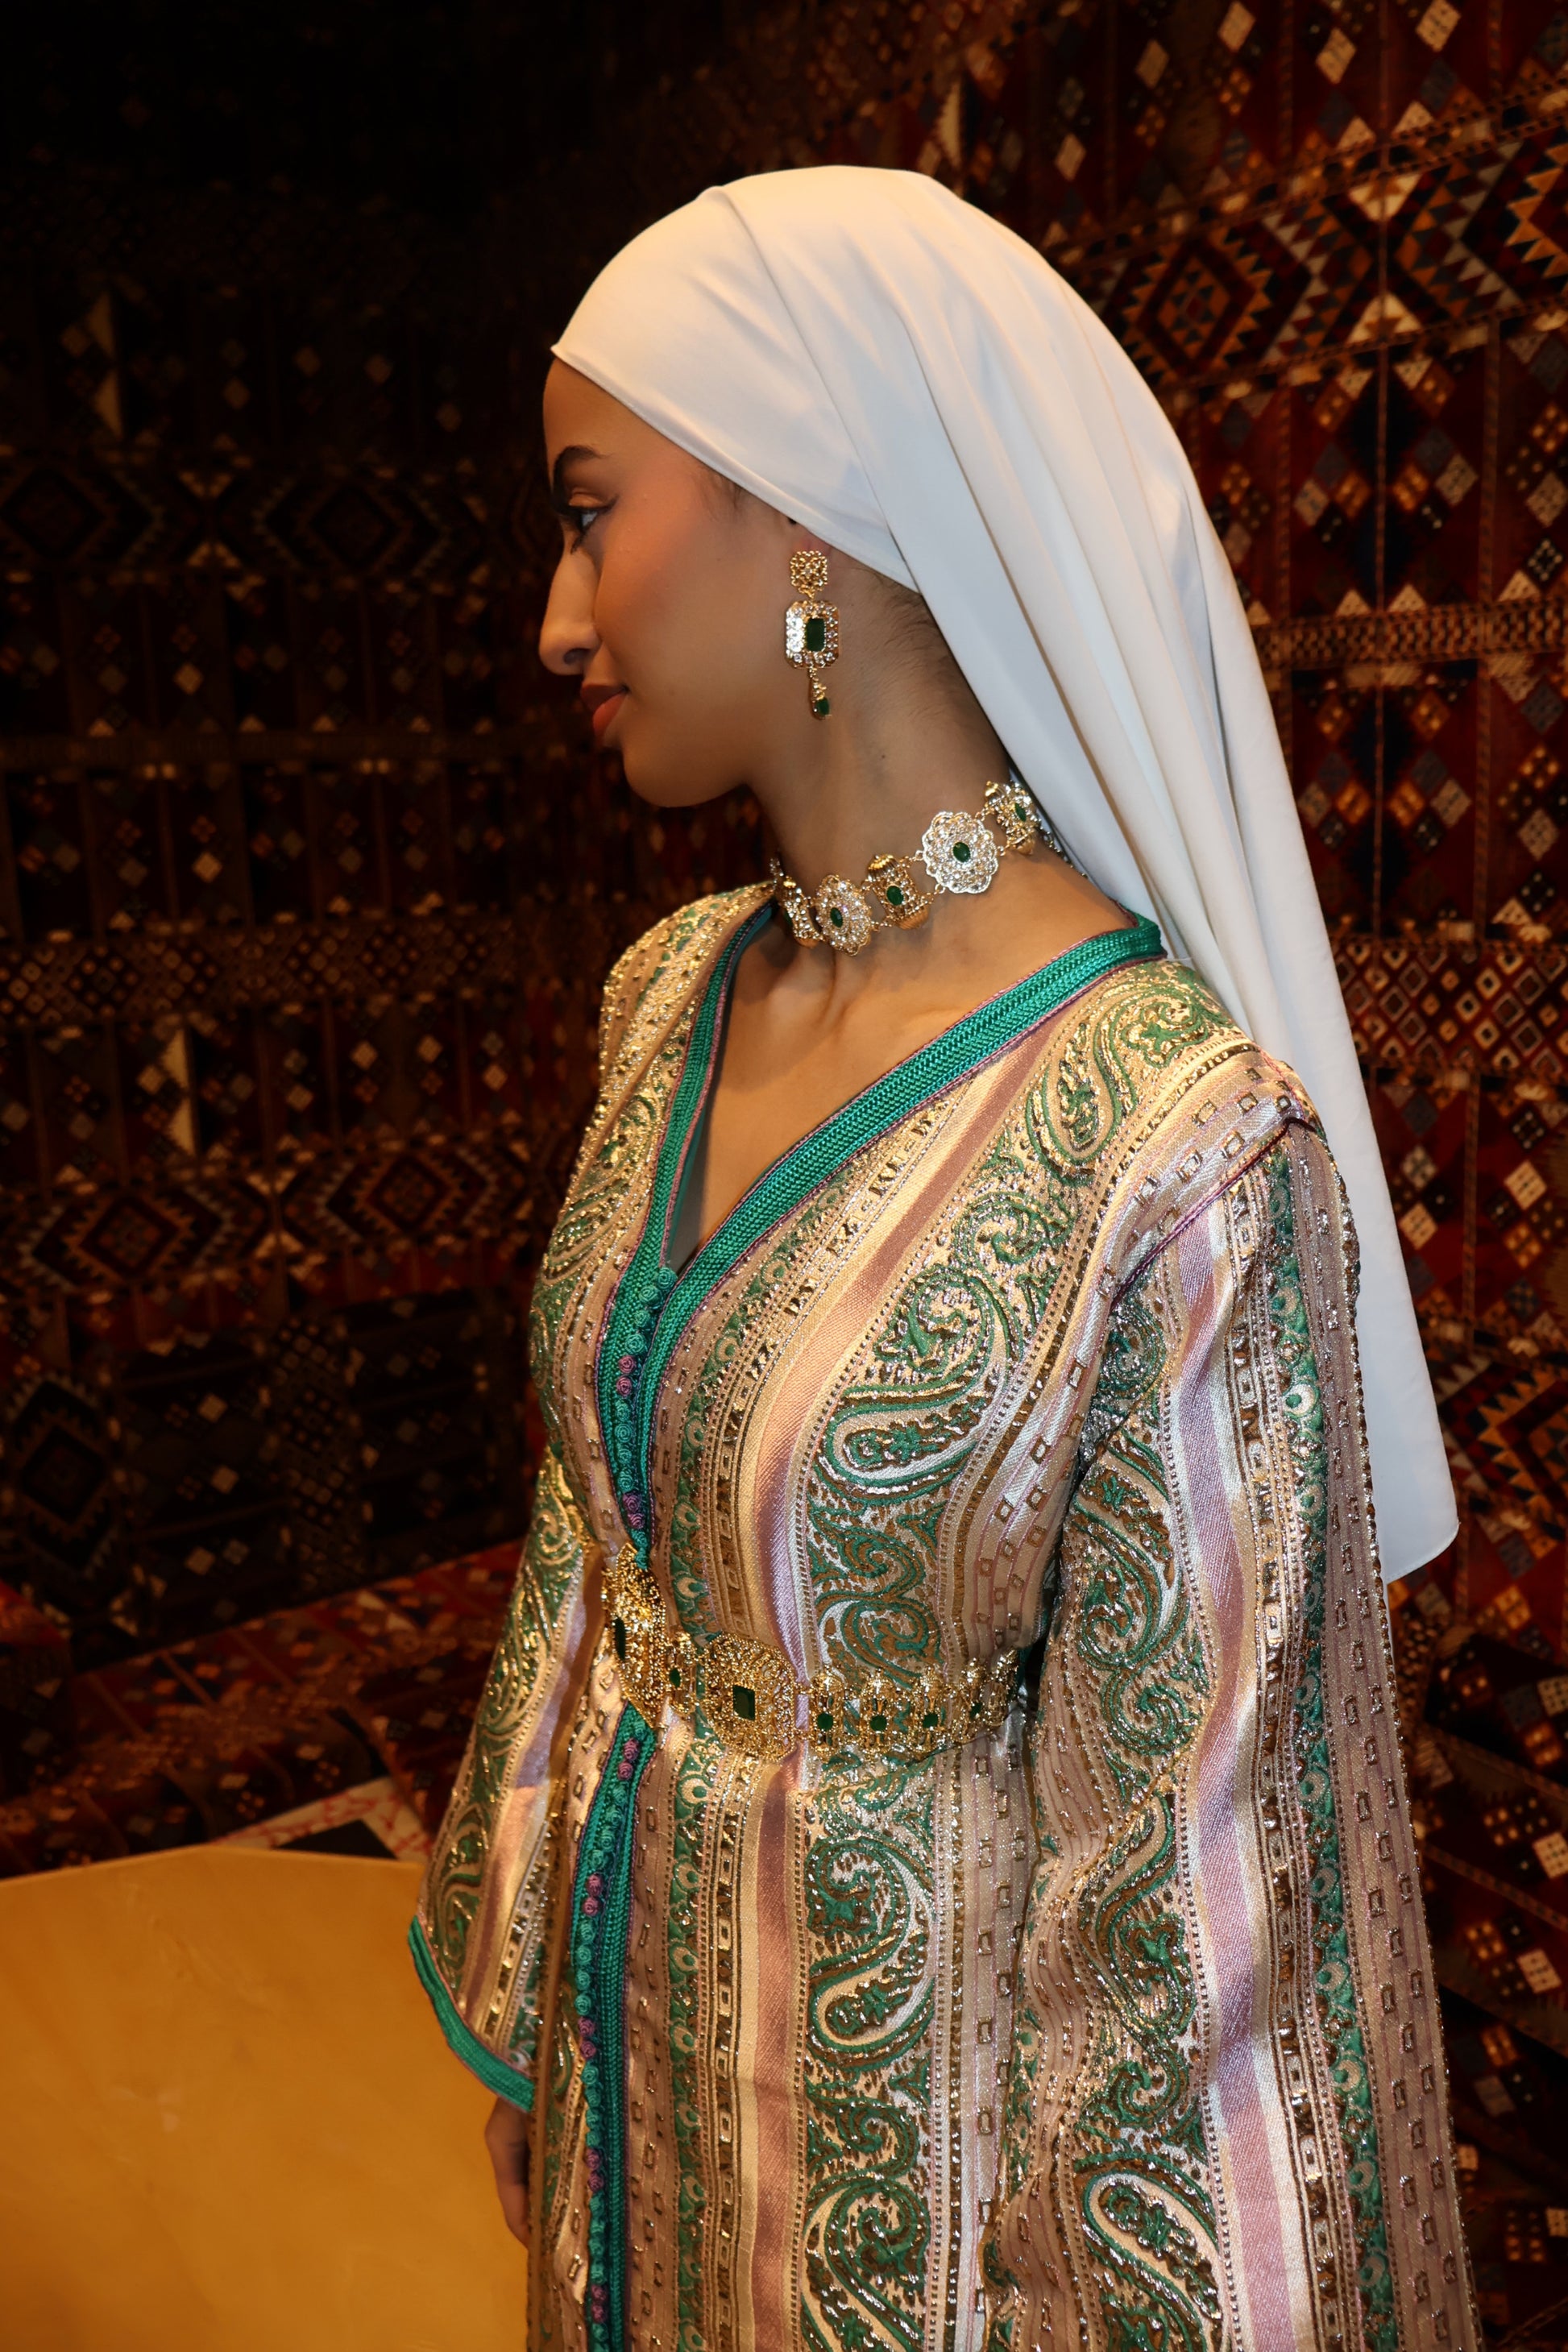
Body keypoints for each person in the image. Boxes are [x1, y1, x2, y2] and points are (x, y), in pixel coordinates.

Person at [410, 168, 1477, 2352]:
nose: (557, 620)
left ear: (806, 513)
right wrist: (541, 2005)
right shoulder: (667, 1000)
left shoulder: (1169, 1147)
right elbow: (589, 1548)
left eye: (591, 514)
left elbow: (1194, 1914)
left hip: (919, 2231)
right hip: (630, 2114)